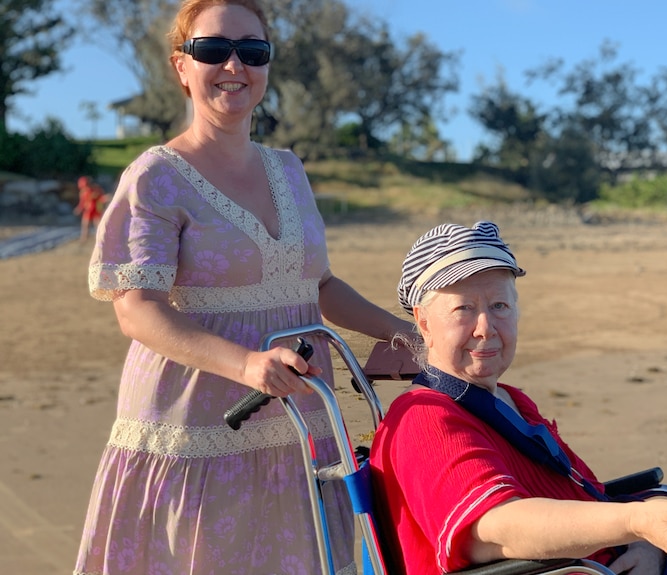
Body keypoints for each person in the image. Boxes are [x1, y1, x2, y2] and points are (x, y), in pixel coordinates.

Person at [74, 1, 413, 574]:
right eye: (213, 49)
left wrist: (402, 333)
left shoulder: (289, 170)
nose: (235, 64)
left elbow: (320, 284)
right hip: (199, 429)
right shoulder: (156, 176)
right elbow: (137, 310)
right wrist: (248, 365)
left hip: (302, 422)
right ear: (181, 65)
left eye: (252, 51)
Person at [369, 221, 667, 575]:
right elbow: (495, 529)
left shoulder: (511, 402)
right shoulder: (422, 419)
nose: (485, 327)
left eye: (499, 306)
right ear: (424, 322)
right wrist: (637, 521)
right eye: (464, 308)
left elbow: (588, 497)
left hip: (607, 562)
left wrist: (646, 543)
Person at [73, 175, 107, 241]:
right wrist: (79, 209)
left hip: (96, 209)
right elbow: (82, 202)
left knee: (98, 224)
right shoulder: (83, 192)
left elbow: (101, 198)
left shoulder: (96, 189)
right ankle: (84, 237)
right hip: (88, 210)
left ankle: (100, 237)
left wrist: (104, 199)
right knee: (85, 224)